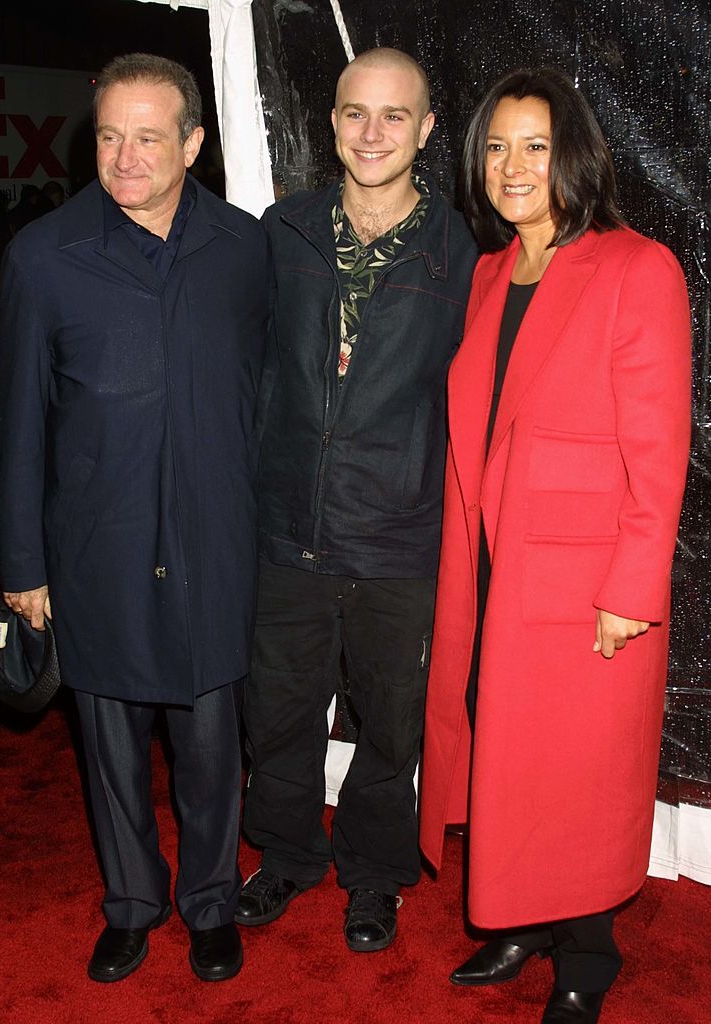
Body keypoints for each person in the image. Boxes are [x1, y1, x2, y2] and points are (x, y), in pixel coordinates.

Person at [0, 53, 269, 984]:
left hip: (213, 539)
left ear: (192, 141)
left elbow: (265, 394)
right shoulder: (42, 256)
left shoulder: (242, 248)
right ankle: (133, 904)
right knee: (108, 748)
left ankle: (211, 901)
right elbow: (16, 420)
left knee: (209, 742)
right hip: (95, 547)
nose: (125, 157)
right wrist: (20, 564)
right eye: (109, 135)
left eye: (149, 136)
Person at [419, 67, 691, 1024]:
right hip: (495, 561)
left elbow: (659, 454)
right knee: (506, 751)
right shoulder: (494, 271)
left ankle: (588, 943)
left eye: (535, 145)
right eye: (496, 146)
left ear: (576, 154)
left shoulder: (637, 266)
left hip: (584, 580)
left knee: (573, 768)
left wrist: (630, 587)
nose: (512, 165)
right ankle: (523, 917)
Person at [237, 47, 478, 952]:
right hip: (287, 524)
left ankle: (376, 874)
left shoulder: (462, 252)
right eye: (353, 114)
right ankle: (290, 855)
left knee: (391, 724)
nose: (372, 133)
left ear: (424, 130)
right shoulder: (282, 231)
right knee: (280, 710)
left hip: (399, 537)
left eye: (394, 116)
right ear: (330, 122)